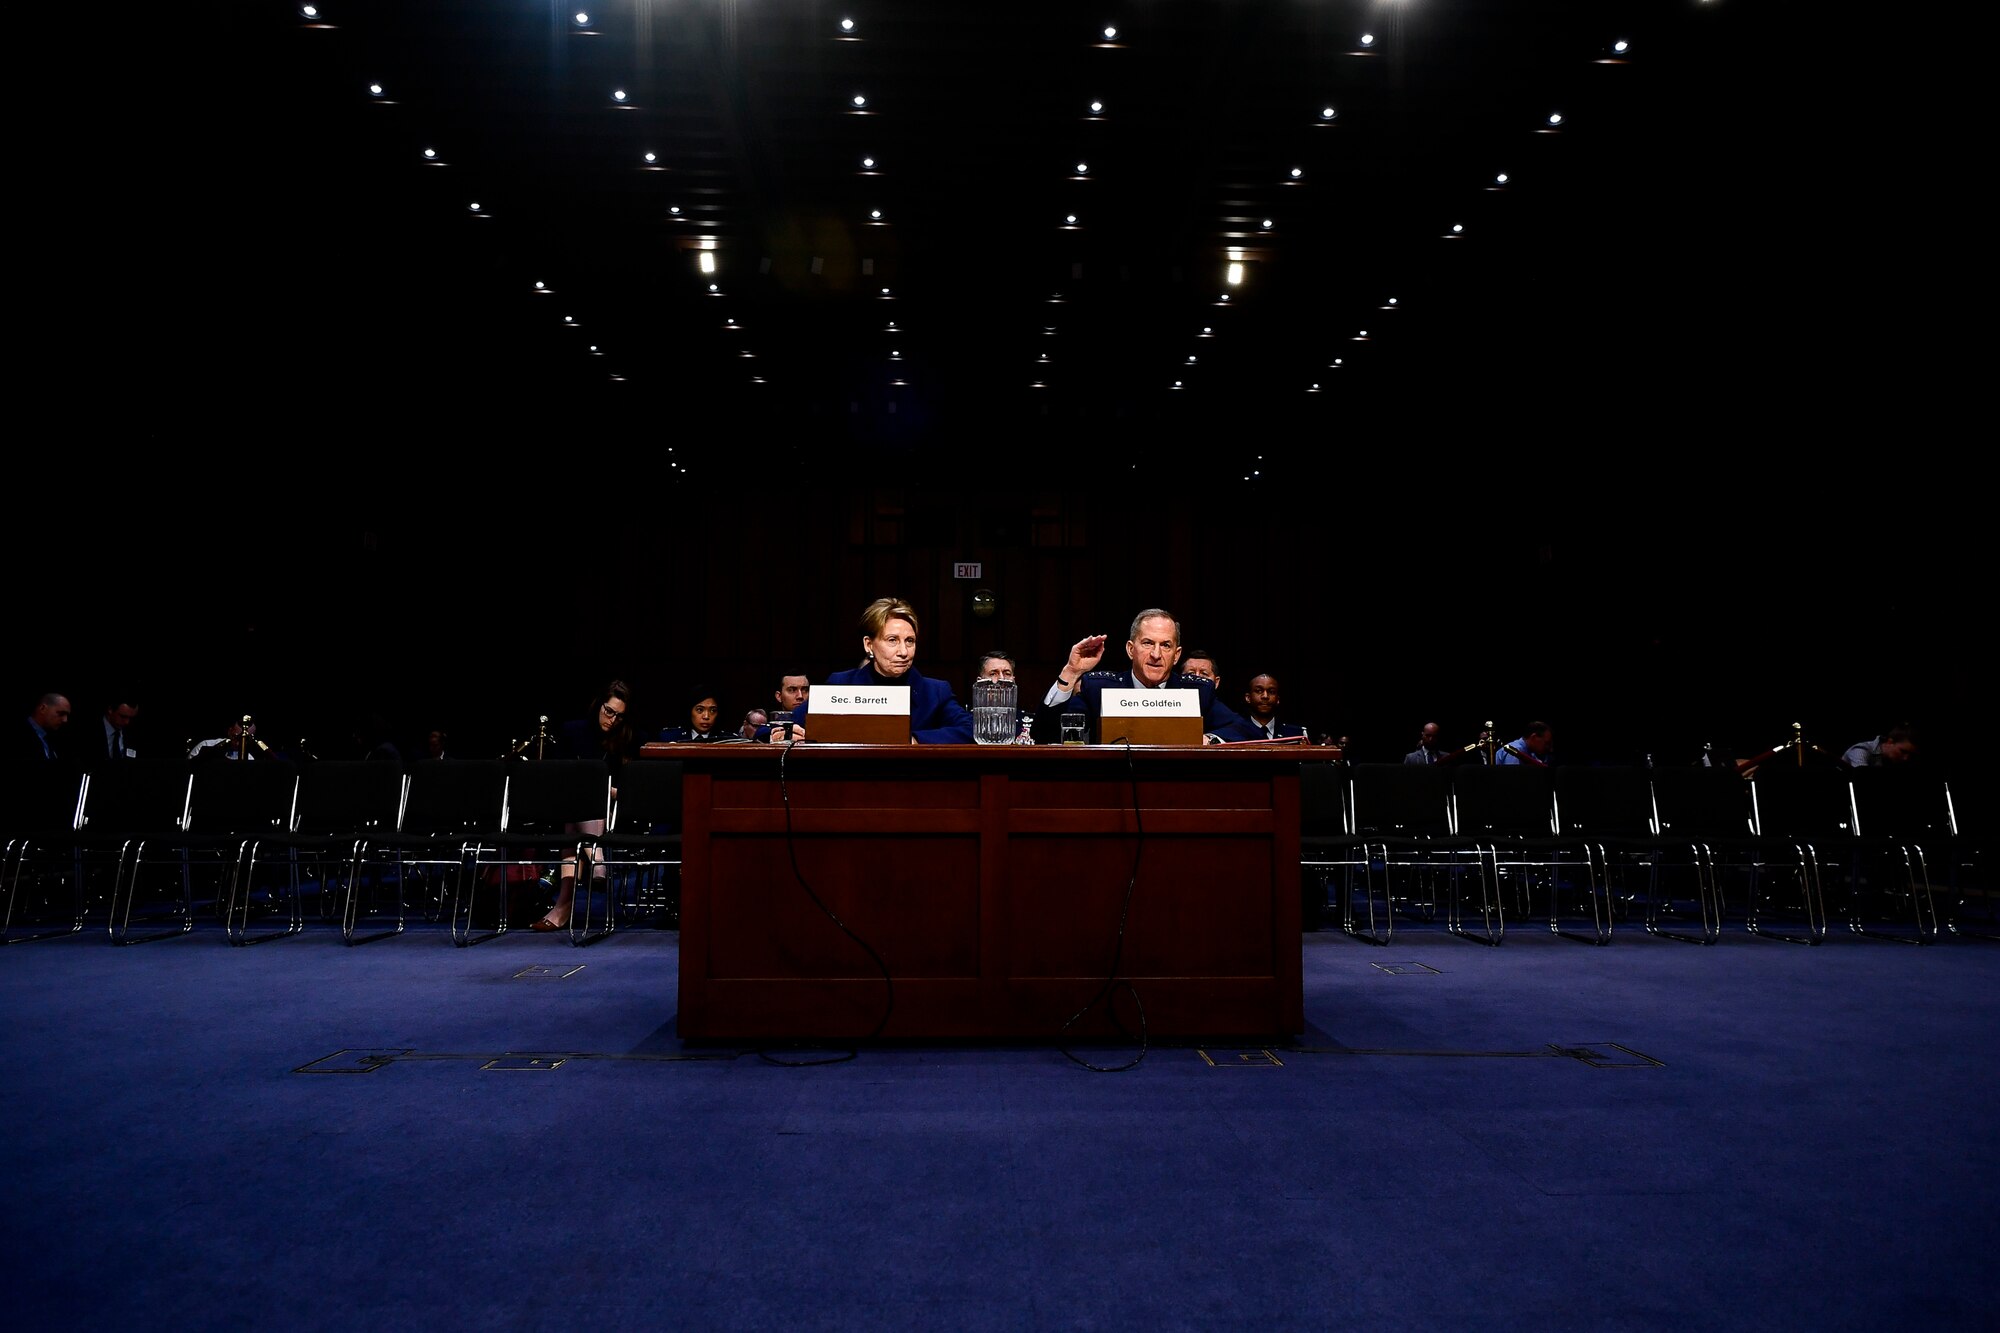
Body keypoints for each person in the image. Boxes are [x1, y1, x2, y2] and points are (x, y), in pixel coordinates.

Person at [1032, 609, 1260, 745]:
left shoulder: (1197, 692)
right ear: (1131, 649)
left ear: (1176, 655)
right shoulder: (1099, 688)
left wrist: (1209, 739)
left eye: (1166, 645)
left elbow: (1246, 730)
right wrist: (1071, 672)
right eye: (1148, 643)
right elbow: (1045, 732)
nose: (1156, 655)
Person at [790, 596, 974, 744]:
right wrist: (783, 735)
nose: (903, 652)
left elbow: (970, 730)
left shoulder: (935, 692)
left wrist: (915, 740)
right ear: (869, 645)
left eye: (909, 641)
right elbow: (781, 726)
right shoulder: (841, 684)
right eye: (892, 640)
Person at [535, 680, 637, 931]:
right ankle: (597, 860)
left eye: (619, 716)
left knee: (574, 830)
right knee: (577, 808)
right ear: (598, 705)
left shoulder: (625, 738)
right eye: (609, 711)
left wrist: (610, 790)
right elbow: (559, 773)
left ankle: (562, 908)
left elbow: (630, 785)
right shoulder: (573, 731)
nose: (612, 720)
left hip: (612, 811)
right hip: (571, 806)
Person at [70, 696, 139, 769]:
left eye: (130, 718)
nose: (127, 722)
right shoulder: (86, 731)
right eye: (123, 717)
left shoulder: (133, 734)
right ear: (110, 710)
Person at [1240, 672, 1307, 740]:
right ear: (1248, 698)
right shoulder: (1234, 732)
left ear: (1277, 699)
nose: (1265, 696)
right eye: (1259, 691)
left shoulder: (1296, 734)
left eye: (1271, 692)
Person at [13, 692, 72, 762]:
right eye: (61, 713)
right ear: (42, 708)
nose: (65, 720)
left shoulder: (54, 738)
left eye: (67, 715)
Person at [189, 715, 278, 761]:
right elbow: (189, 766)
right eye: (236, 738)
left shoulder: (250, 759)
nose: (239, 743)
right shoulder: (205, 745)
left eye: (245, 739)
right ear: (229, 731)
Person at [659, 691, 733, 743]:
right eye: (700, 710)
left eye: (713, 711)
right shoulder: (669, 737)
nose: (706, 716)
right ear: (690, 711)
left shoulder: (729, 740)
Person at [757, 673, 812, 742]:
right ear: (779, 696)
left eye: (805, 690)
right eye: (792, 690)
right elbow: (760, 733)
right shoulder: (768, 728)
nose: (800, 696)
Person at [1842, 723, 1917, 769]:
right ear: (1889, 742)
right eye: (1902, 751)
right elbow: (1863, 779)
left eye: (1910, 755)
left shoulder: (1892, 762)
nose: (1906, 758)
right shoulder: (1861, 750)